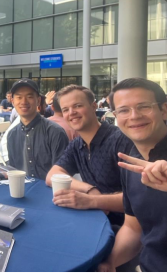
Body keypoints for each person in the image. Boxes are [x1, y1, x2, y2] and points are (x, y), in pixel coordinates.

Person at [97, 78, 167, 273]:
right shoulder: (131, 163)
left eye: (143, 107)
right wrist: (109, 262)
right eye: (124, 110)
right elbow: (133, 228)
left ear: (163, 110)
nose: (134, 116)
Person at [46, 86, 133, 225]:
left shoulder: (120, 140)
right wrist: (89, 189)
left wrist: (94, 201)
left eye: (78, 106)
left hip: (123, 227)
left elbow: (140, 199)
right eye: (65, 110)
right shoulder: (77, 144)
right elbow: (52, 175)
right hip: (94, 220)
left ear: (94, 106)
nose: (71, 113)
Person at [0, 79, 69, 180]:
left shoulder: (55, 132)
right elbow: (14, 171)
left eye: (30, 96)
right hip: (21, 190)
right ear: (13, 102)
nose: (24, 102)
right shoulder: (12, 135)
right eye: (19, 97)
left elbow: (62, 175)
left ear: (38, 100)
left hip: (49, 192)